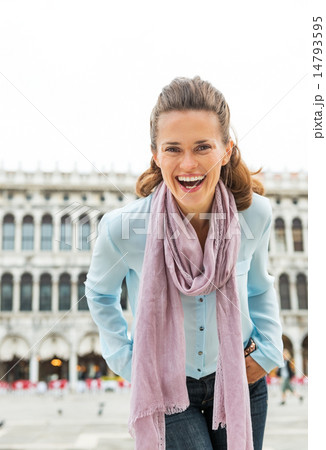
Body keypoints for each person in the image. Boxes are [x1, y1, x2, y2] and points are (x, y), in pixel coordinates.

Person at [85, 76, 284, 450]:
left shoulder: (255, 215)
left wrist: (269, 349)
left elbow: (260, 285)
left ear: (226, 150)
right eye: (173, 148)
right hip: (167, 386)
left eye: (203, 147)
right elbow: (99, 293)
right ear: (155, 154)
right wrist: (128, 361)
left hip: (240, 379)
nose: (188, 164)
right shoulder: (123, 228)